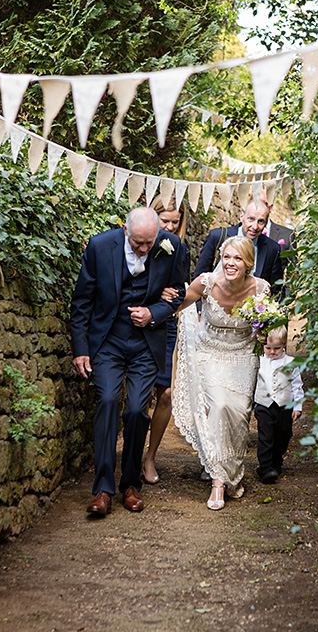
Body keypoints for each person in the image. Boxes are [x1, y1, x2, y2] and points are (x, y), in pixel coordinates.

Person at [70, 207, 186, 517]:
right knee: (107, 400)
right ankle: (103, 490)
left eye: (150, 243)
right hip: (108, 339)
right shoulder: (99, 246)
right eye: (138, 243)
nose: (145, 249)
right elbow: (82, 301)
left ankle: (131, 484)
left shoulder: (171, 247)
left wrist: (153, 314)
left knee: (136, 410)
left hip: (146, 342)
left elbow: (178, 295)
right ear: (125, 232)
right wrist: (81, 349)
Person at [172, 236, 269, 510]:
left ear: (248, 263)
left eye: (237, 258)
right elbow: (178, 304)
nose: (230, 263)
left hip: (243, 356)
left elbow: (264, 330)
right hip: (210, 353)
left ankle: (233, 475)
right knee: (219, 406)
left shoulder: (261, 289)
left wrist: (265, 331)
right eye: (226, 257)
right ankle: (218, 480)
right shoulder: (206, 282)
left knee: (239, 416)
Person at [142, 201, 189, 485]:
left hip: (166, 326)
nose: (170, 227)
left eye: (175, 221)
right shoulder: (137, 239)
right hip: (137, 324)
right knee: (138, 396)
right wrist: (158, 291)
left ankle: (150, 457)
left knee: (166, 393)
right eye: (165, 220)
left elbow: (181, 291)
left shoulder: (177, 246)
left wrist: (171, 296)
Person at [192, 199, 284, 296]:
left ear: (266, 223)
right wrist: (199, 309)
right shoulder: (217, 237)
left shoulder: (272, 248)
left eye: (260, 221)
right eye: (251, 219)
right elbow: (199, 278)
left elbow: (275, 290)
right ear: (242, 216)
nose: (255, 226)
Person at [253, 325, 304, 484]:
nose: (272, 352)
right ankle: (265, 468)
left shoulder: (291, 362)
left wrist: (297, 405)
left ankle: (276, 461)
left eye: (276, 348)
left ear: (283, 345)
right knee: (265, 436)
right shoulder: (259, 360)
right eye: (268, 348)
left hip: (284, 405)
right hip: (264, 404)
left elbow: (297, 384)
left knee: (284, 434)